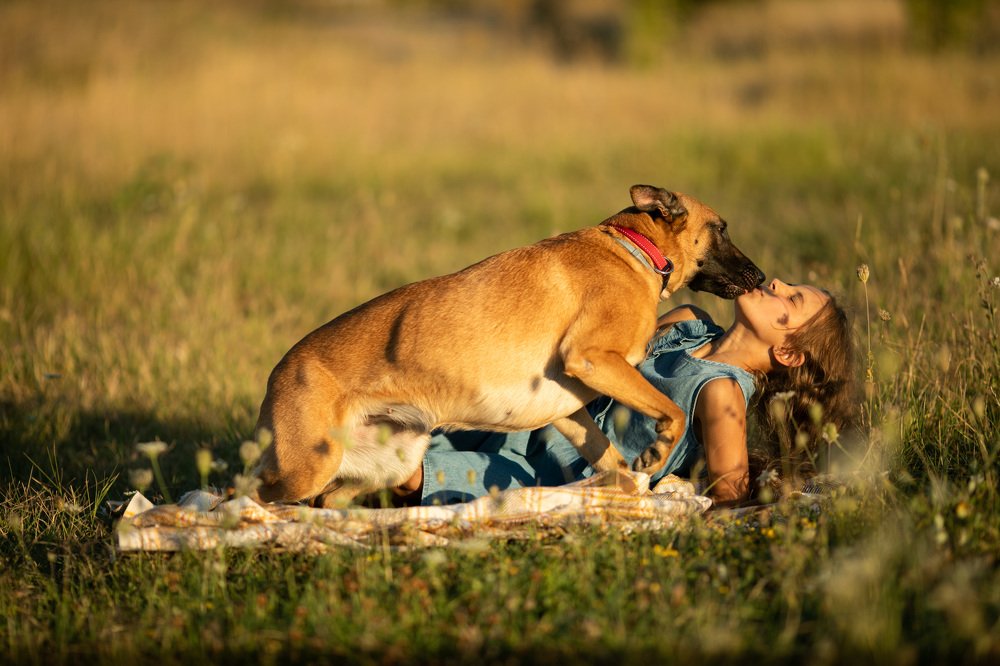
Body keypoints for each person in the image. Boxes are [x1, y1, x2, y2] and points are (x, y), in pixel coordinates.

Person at [391, 278, 856, 507]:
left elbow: (729, 495)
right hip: (537, 416)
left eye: (791, 300)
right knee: (406, 429)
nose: (777, 283)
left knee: (406, 470)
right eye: (790, 286)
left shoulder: (722, 393)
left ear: (789, 353)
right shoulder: (688, 322)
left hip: (554, 471)